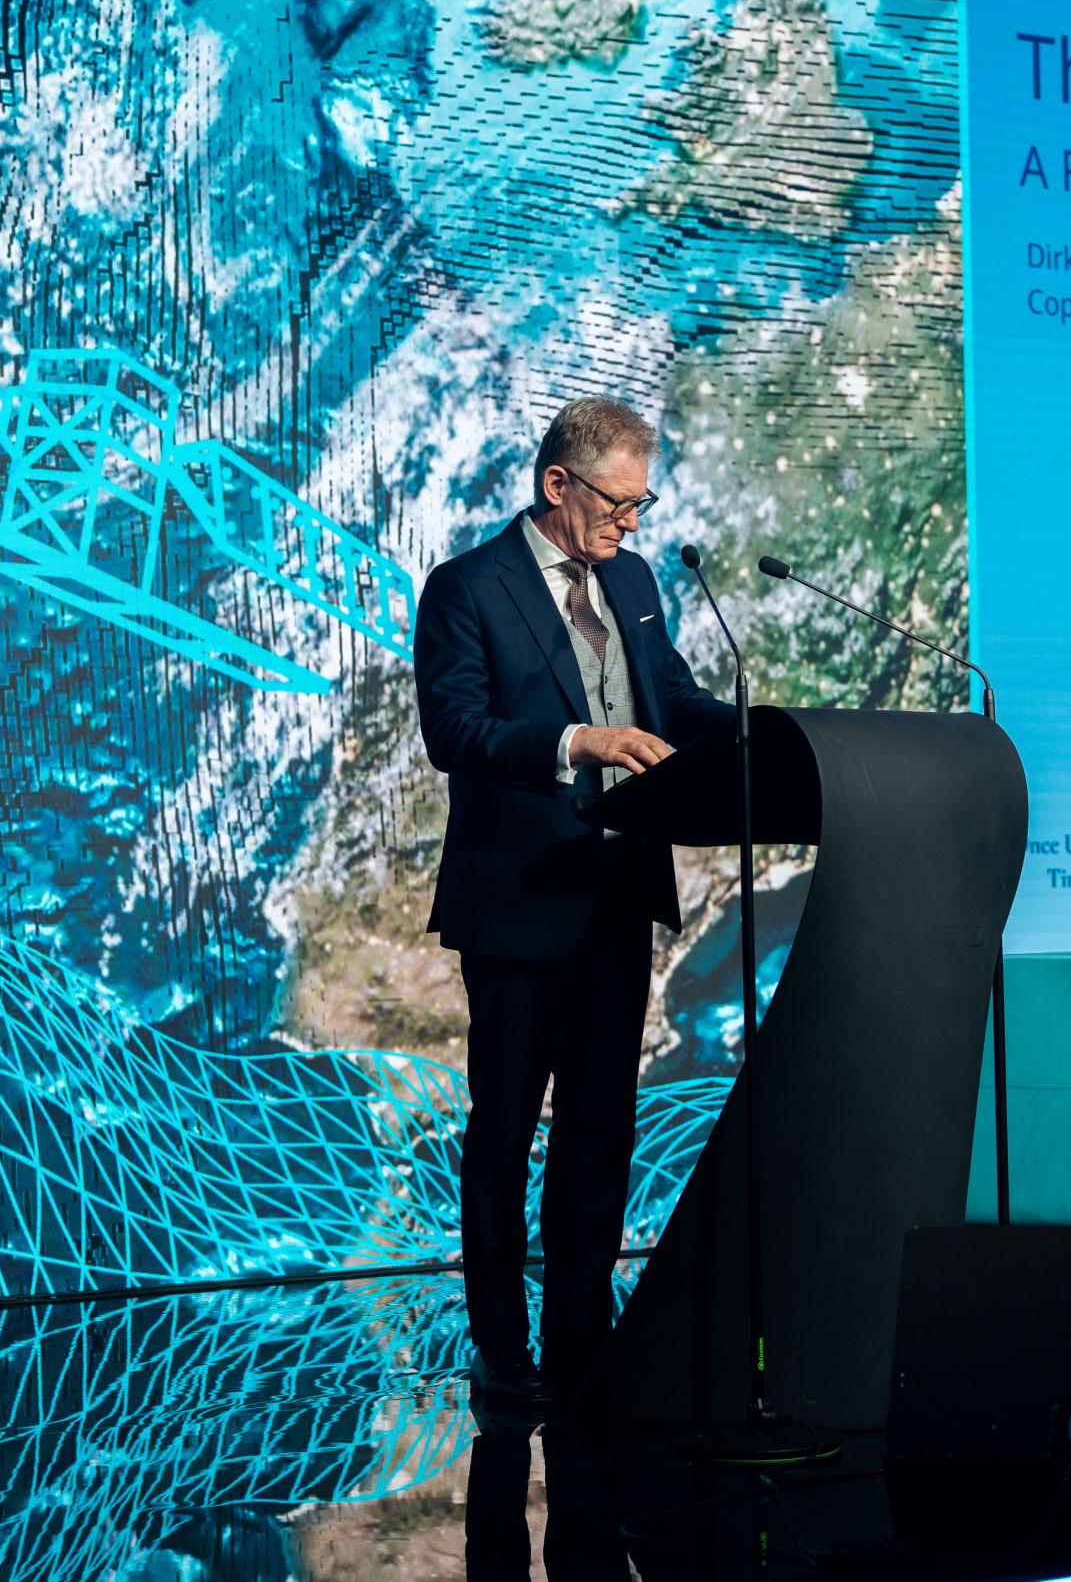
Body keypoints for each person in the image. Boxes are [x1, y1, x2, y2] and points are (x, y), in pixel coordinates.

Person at [413, 396, 733, 1408]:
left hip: (617, 893)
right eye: (615, 502)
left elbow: (666, 697)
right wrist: (572, 744)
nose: (630, 524)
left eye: (641, 505)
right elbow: (454, 731)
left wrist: (763, 730)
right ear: (557, 484)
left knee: (602, 1133)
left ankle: (582, 1347)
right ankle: (503, 1356)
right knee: (505, 1134)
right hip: (516, 903)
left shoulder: (632, 582)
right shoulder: (467, 588)